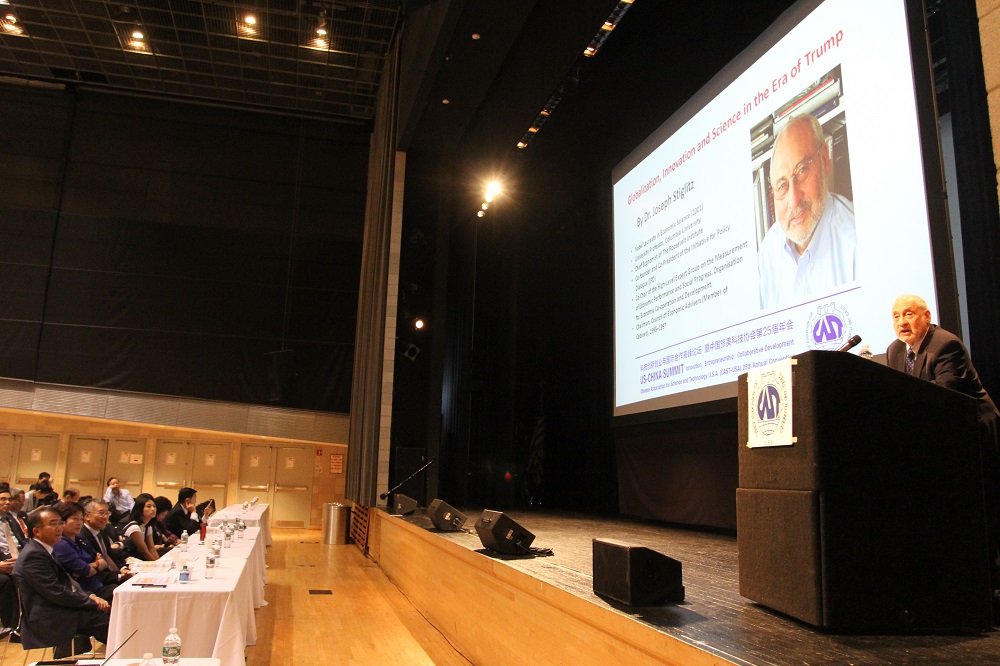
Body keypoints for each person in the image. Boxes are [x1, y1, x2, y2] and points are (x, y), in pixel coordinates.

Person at [887, 294, 1000, 611]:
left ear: (926, 316)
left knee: (983, 514)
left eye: (909, 314)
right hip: (940, 440)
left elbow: (943, 398)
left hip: (975, 436)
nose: (902, 322)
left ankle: (989, 594)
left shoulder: (946, 345)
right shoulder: (896, 350)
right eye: (896, 316)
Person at [757, 113, 856, 310]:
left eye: (802, 171)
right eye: (782, 185)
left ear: (825, 159)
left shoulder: (856, 240)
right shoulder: (768, 251)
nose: (794, 200)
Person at [11, 508, 110, 649]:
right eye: (53, 524)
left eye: (60, 523)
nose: (59, 528)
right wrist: (91, 603)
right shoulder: (33, 555)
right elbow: (56, 593)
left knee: (107, 615)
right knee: (105, 620)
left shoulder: (46, 549)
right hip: (48, 617)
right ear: (36, 531)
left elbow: (68, 582)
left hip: (58, 608)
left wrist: (90, 596)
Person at [51, 502, 120, 603]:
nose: (79, 523)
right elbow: (86, 571)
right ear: (63, 521)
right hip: (85, 592)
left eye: (81, 519)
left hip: (99, 585)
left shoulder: (79, 539)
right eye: (75, 519)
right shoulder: (61, 544)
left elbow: (103, 561)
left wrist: (92, 565)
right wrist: (96, 564)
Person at [79, 500, 127, 571]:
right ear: (87, 516)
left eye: (107, 513)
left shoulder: (102, 531)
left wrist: (123, 569)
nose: (105, 517)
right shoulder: (81, 536)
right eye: (101, 513)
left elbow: (110, 555)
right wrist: (119, 576)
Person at [0, 490, 20, 636]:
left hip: (9, 559)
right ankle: (12, 627)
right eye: (3, 499)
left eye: (9, 499)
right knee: (5, 580)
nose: (7, 502)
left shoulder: (8, 520)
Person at [119, 493, 159, 561]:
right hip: (126, 559)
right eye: (148, 506)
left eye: (154, 506)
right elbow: (145, 552)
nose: (153, 509)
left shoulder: (148, 527)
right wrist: (156, 565)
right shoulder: (134, 527)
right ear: (140, 508)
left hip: (137, 558)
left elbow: (152, 549)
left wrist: (159, 562)